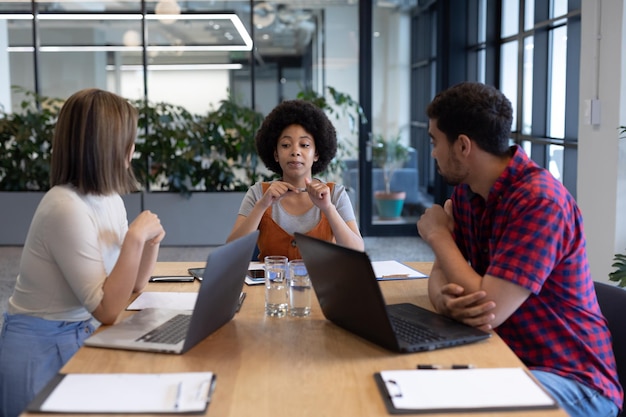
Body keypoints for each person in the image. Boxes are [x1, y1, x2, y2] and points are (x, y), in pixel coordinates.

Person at [416, 81, 623, 417]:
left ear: (463, 146)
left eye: (434, 141)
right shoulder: (470, 194)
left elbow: (491, 308)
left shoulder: (540, 202)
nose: (434, 153)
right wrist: (444, 302)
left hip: (574, 379)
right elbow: (447, 274)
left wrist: (438, 235)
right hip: (508, 357)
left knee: (452, 409)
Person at [0, 88, 166, 417]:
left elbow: (132, 287)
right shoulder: (65, 207)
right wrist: (133, 238)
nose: (133, 148)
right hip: (41, 348)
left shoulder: (109, 199)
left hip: (81, 331)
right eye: (128, 140)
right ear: (109, 146)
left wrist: (150, 244)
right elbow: (107, 309)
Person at [227, 99, 364, 260]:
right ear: (276, 154)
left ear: (317, 154)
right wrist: (262, 205)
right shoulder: (259, 194)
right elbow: (231, 252)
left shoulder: (335, 195)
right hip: (272, 284)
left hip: (321, 284)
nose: (295, 151)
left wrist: (328, 208)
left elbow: (357, 251)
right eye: (286, 145)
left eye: (304, 145)